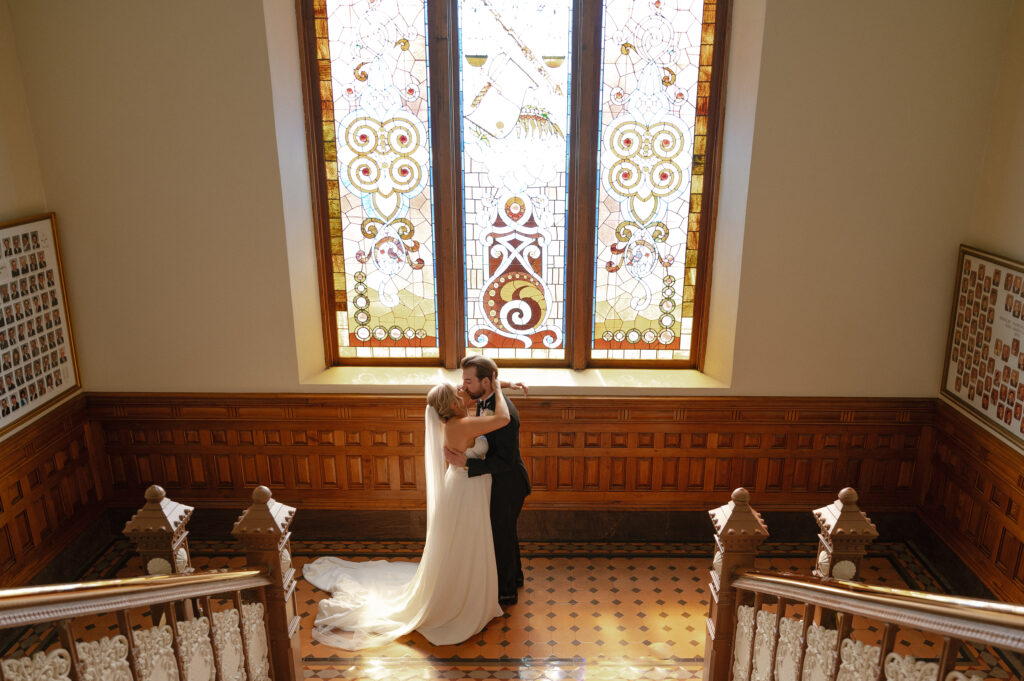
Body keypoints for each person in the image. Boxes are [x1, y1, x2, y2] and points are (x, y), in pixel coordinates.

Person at [304, 379, 522, 650]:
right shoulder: (462, 425)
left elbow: (454, 395)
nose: (463, 390)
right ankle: (464, 598)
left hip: (466, 486)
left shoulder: (454, 419)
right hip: (467, 490)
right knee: (467, 541)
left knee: (465, 542)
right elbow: (502, 418)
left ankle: (472, 591)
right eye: (459, 392)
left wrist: (494, 384)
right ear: (453, 404)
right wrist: (498, 386)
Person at [445, 355, 531, 605]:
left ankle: (506, 594)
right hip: (500, 481)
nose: (463, 387)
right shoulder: (485, 397)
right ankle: (515, 578)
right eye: (463, 381)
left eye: (467, 381)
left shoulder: (503, 414)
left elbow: (506, 461)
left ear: (485, 381)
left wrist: (467, 463)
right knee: (505, 533)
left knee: (500, 536)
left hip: (508, 483)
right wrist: (504, 383)